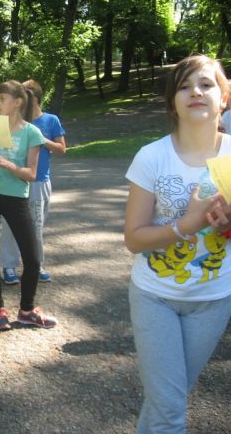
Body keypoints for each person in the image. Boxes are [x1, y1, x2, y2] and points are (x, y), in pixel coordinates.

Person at [124, 54, 231, 433]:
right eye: (184, 87)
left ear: (225, 97)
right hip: (156, 297)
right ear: (172, 102)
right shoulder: (152, 157)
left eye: (206, 84)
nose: (195, 92)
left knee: (165, 402)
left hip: (213, 300)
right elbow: (134, 239)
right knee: (170, 410)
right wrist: (188, 225)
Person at [0, 80, 57, 330]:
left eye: (2, 99)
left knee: (32, 258)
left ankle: (26, 310)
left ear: (17, 102)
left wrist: (7, 164)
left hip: (16, 198)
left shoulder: (31, 133)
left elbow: (31, 174)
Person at [0, 80, 66, 284]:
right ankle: (9, 266)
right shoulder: (10, 120)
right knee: (10, 226)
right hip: (12, 181)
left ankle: (36, 265)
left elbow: (62, 149)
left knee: (36, 227)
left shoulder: (51, 120)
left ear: (33, 98)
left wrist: (40, 138)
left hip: (39, 182)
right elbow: (0, 149)